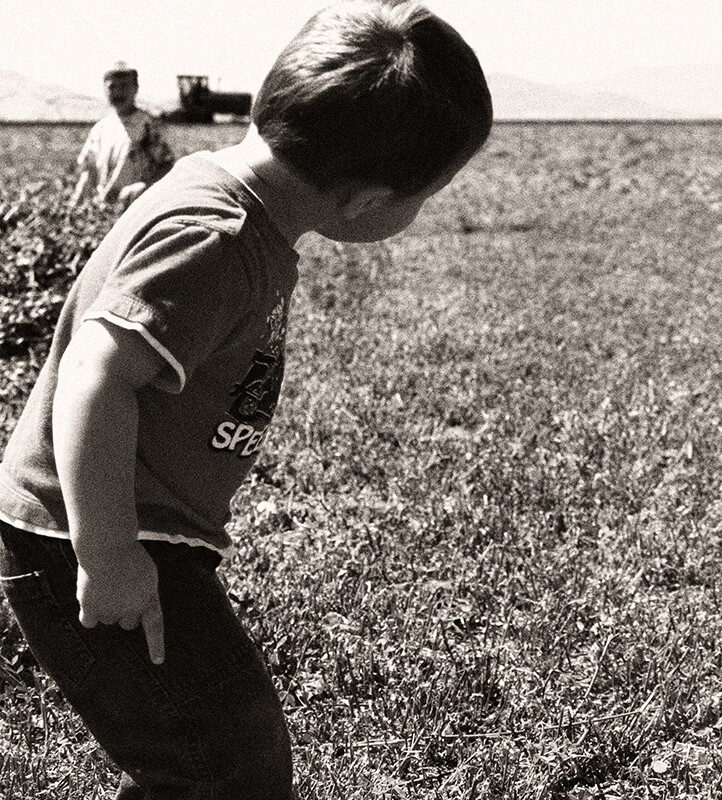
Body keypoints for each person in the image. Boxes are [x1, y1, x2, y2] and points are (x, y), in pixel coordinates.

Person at [0, 2, 492, 797]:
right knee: (226, 762)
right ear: (365, 200)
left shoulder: (229, 201)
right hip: (92, 531)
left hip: (130, 527)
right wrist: (108, 555)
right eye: (419, 200)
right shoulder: (218, 237)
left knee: (205, 754)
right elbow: (97, 374)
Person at [68, 61, 175, 208]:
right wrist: (75, 204)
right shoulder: (100, 129)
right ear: (104, 89)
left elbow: (168, 166)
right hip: (105, 208)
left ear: (135, 88)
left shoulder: (148, 125)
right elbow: (87, 172)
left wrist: (145, 188)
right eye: (112, 87)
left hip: (138, 207)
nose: (118, 92)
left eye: (124, 86)